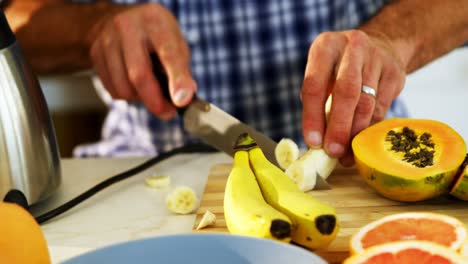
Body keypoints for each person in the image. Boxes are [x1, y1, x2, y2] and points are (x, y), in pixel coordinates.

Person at [3, 0, 468, 166]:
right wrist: (93, 26)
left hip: (358, 160)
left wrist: (391, 39)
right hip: (144, 168)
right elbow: (14, 21)